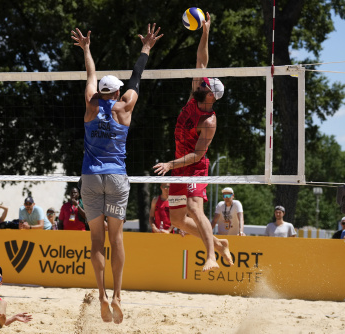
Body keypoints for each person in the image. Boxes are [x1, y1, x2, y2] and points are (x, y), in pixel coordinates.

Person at [71, 23, 163, 324]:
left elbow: (90, 76)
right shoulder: (125, 107)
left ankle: (100, 296)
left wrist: (86, 48)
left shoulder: (90, 104)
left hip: (90, 177)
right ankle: (118, 296)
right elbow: (137, 76)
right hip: (116, 177)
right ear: (119, 92)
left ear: (101, 92)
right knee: (116, 238)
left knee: (96, 241)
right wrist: (146, 48)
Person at [152, 13, 232, 272]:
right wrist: (205, 32)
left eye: (206, 86)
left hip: (194, 166)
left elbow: (197, 156)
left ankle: (211, 256)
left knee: (196, 209)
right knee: (177, 219)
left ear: (212, 96)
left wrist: (170, 163)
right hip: (177, 164)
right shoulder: (194, 95)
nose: (201, 84)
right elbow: (201, 60)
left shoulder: (209, 121)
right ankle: (220, 244)